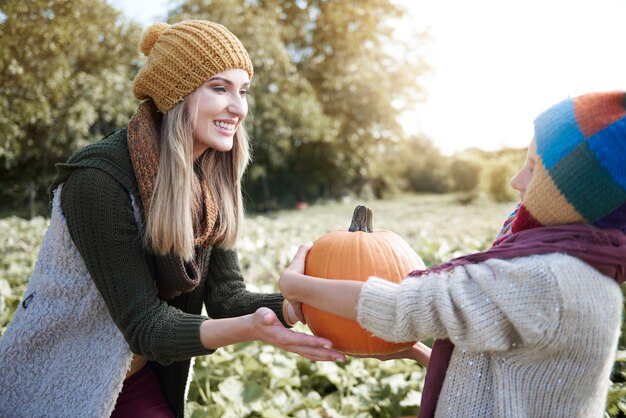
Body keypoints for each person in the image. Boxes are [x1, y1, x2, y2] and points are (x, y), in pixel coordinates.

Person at [0, 20, 344, 418]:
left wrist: (302, 305)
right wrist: (253, 329)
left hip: (139, 380)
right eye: (220, 88)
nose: (239, 107)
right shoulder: (98, 181)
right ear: (176, 94)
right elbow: (146, 325)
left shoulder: (210, 179)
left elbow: (227, 298)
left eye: (243, 91)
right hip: (60, 382)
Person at [280, 91, 626, 417]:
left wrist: (297, 284)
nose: (515, 180)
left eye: (534, 167)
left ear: (576, 193)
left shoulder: (551, 279)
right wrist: (414, 351)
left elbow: (407, 305)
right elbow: (502, 388)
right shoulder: (586, 273)